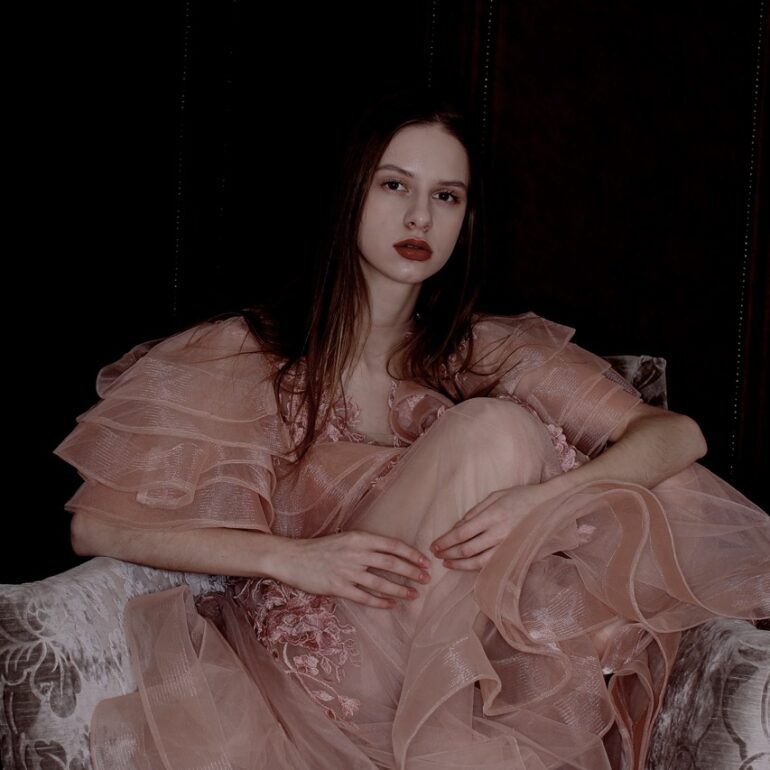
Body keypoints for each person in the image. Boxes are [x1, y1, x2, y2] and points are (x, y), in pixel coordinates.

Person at [54, 86, 769, 770]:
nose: (420, 218)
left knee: (533, 446)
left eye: (446, 197)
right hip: (319, 670)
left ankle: (437, 729)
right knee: (497, 432)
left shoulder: (487, 351)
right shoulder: (249, 352)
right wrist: (291, 558)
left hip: (456, 670)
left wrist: (543, 500)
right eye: (395, 186)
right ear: (351, 194)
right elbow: (95, 527)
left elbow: (677, 436)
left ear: (466, 219)